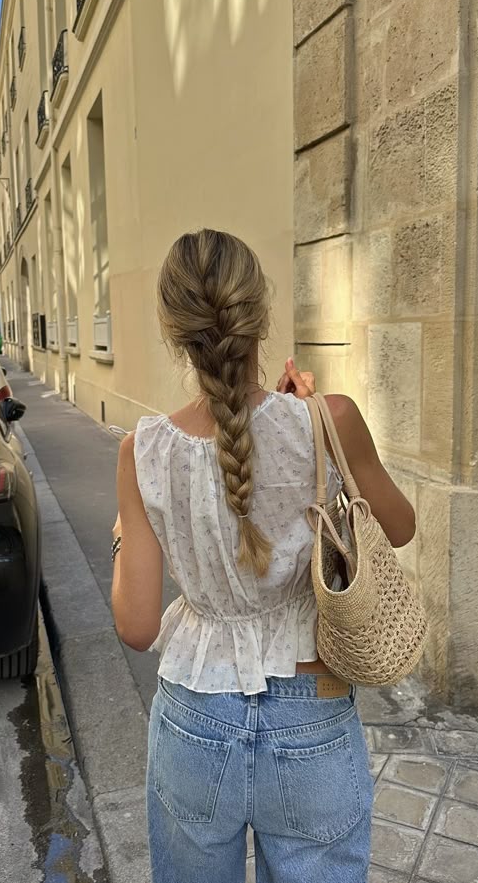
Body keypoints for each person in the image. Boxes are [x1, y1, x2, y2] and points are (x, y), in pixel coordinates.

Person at [111, 229, 415, 883]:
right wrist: (323, 432)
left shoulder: (143, 451)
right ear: (260, 316)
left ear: (174, 332)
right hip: (314, 701)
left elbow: (136, 625)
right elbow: (401, 525)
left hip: (194, 713)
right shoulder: (327, 419)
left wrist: (124, 530)